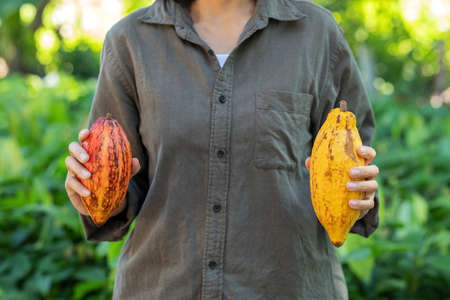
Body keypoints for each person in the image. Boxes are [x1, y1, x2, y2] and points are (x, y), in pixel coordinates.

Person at [64, 0, 380, 298]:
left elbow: (355, 162)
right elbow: (118, 187)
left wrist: (360, 190)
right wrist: (89, 191)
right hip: (163, 288)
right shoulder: (130, 42)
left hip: (285, 287)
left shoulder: (316, 34)